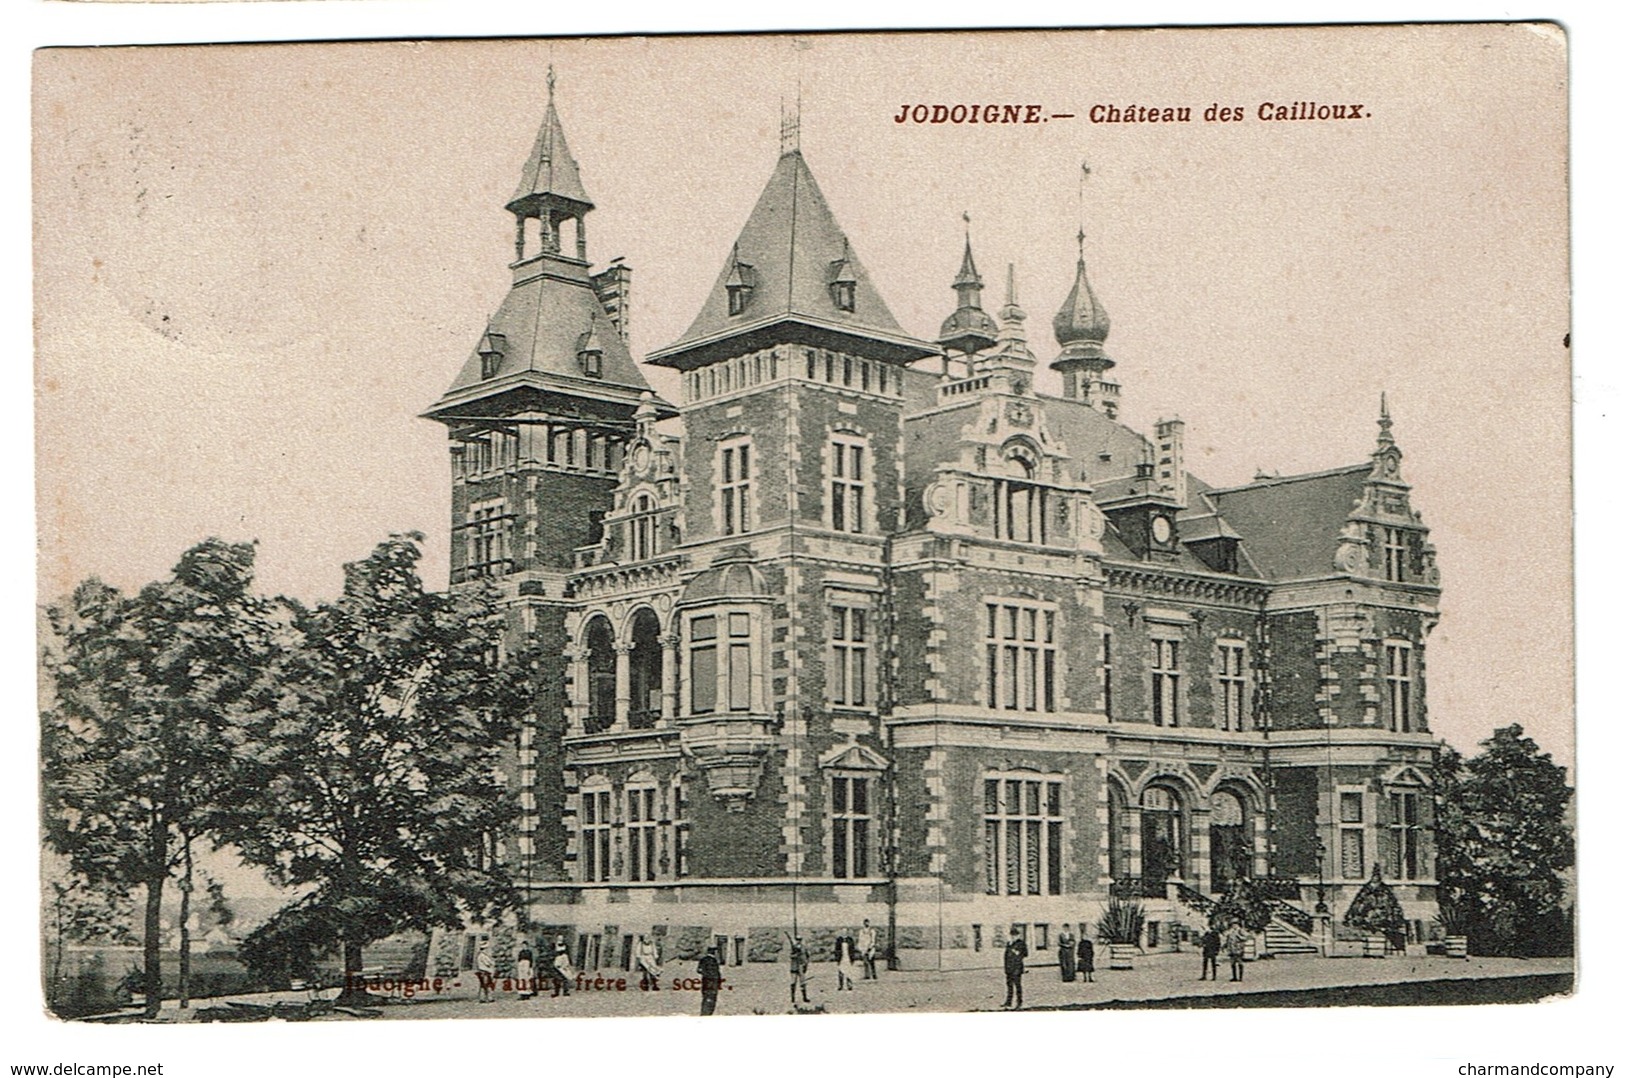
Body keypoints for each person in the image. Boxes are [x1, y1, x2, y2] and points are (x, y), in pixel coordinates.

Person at [1002, 931, 1028, 1009]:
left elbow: (1025, 954)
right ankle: (1008, 1002)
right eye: (1012, 935)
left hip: (1017, 968)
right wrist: (1006, 967)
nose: (1013, 937)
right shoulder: (1009, 943)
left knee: (1017, 985)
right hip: (1009, 968)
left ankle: (1019, 1002)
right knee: (1009, 985)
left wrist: (1017, 952)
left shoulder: (1021, 943)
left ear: (1018, 935)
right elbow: (1006, 956)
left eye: (1015, 935)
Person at [697, 945, 723, 1016]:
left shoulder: (703, 959)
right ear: (714, 952)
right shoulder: (713, 961)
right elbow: (716, 973)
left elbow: (699, 970)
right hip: (712, 982)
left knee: (706, 997)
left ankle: (704, 1013)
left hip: (705, 981)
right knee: (711, 999)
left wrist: (705, 975)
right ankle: (707, 1014)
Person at [786, 933, 810, 1006]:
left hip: (801, 966)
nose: (798, 941)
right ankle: (792, 998)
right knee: (793, 982)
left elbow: (807, 956)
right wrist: (795, 954)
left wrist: (806, 965)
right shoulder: (793, 947)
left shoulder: (804, 947)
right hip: (794, 966)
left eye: (800, 939)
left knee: (803, 983)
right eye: (797, 939)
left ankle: (804, 997)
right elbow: (791, 956)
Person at [475, 938, 496, 1004]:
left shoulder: (481, 955)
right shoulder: (482, 956)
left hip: (483, 971)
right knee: (487, 985)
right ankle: (487, 998)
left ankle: (483, 998)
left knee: (484, 985)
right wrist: (492, 963)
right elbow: (488, 963)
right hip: (485, 971)